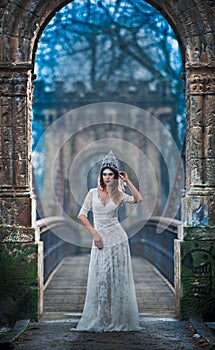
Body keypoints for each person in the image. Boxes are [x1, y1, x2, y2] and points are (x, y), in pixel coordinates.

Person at [75, 151, 143, 332]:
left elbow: (138, 199)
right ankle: (103, 317)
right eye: (104, 174)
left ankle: (117, 316)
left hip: (118, 239)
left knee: (117, 278)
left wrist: (127, 181)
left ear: (115, 176)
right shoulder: (92, 193)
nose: (107, 177)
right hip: (100, 239)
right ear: (101, 176)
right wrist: (94, 234)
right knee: (102, 277)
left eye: (110, 174)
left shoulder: (119, 194)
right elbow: (81, 215)